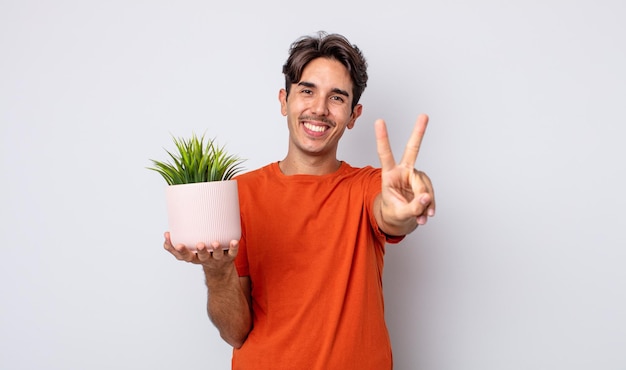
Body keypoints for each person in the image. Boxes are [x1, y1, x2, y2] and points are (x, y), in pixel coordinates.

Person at [164, 31, 436, 369]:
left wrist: (409, 199)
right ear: (284, 100)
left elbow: (392, 214)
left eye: (337, 98)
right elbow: (235, 332)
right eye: (307, 91)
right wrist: (217, 270)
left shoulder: (367, 186)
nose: (319, 109)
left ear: (354, 115)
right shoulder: (240, 193)